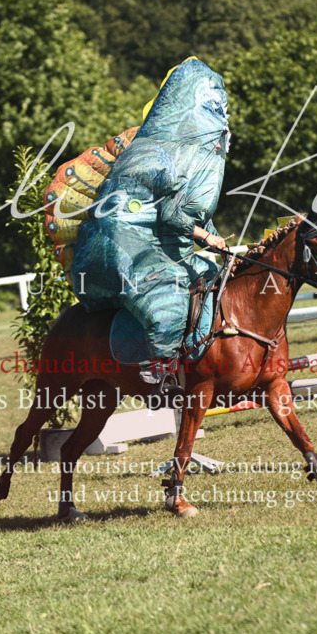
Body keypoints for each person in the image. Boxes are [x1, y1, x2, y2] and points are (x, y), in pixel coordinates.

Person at [70, 58, 230, 397]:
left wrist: (210, 236)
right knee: (167, 301)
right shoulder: (175, 155)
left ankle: (199, 354)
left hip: (141, 240)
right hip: (124, 244)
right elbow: (173, 215)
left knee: (209, 272)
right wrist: (206, 237)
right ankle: (159, 373)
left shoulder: (178, 148)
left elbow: (189, 210)